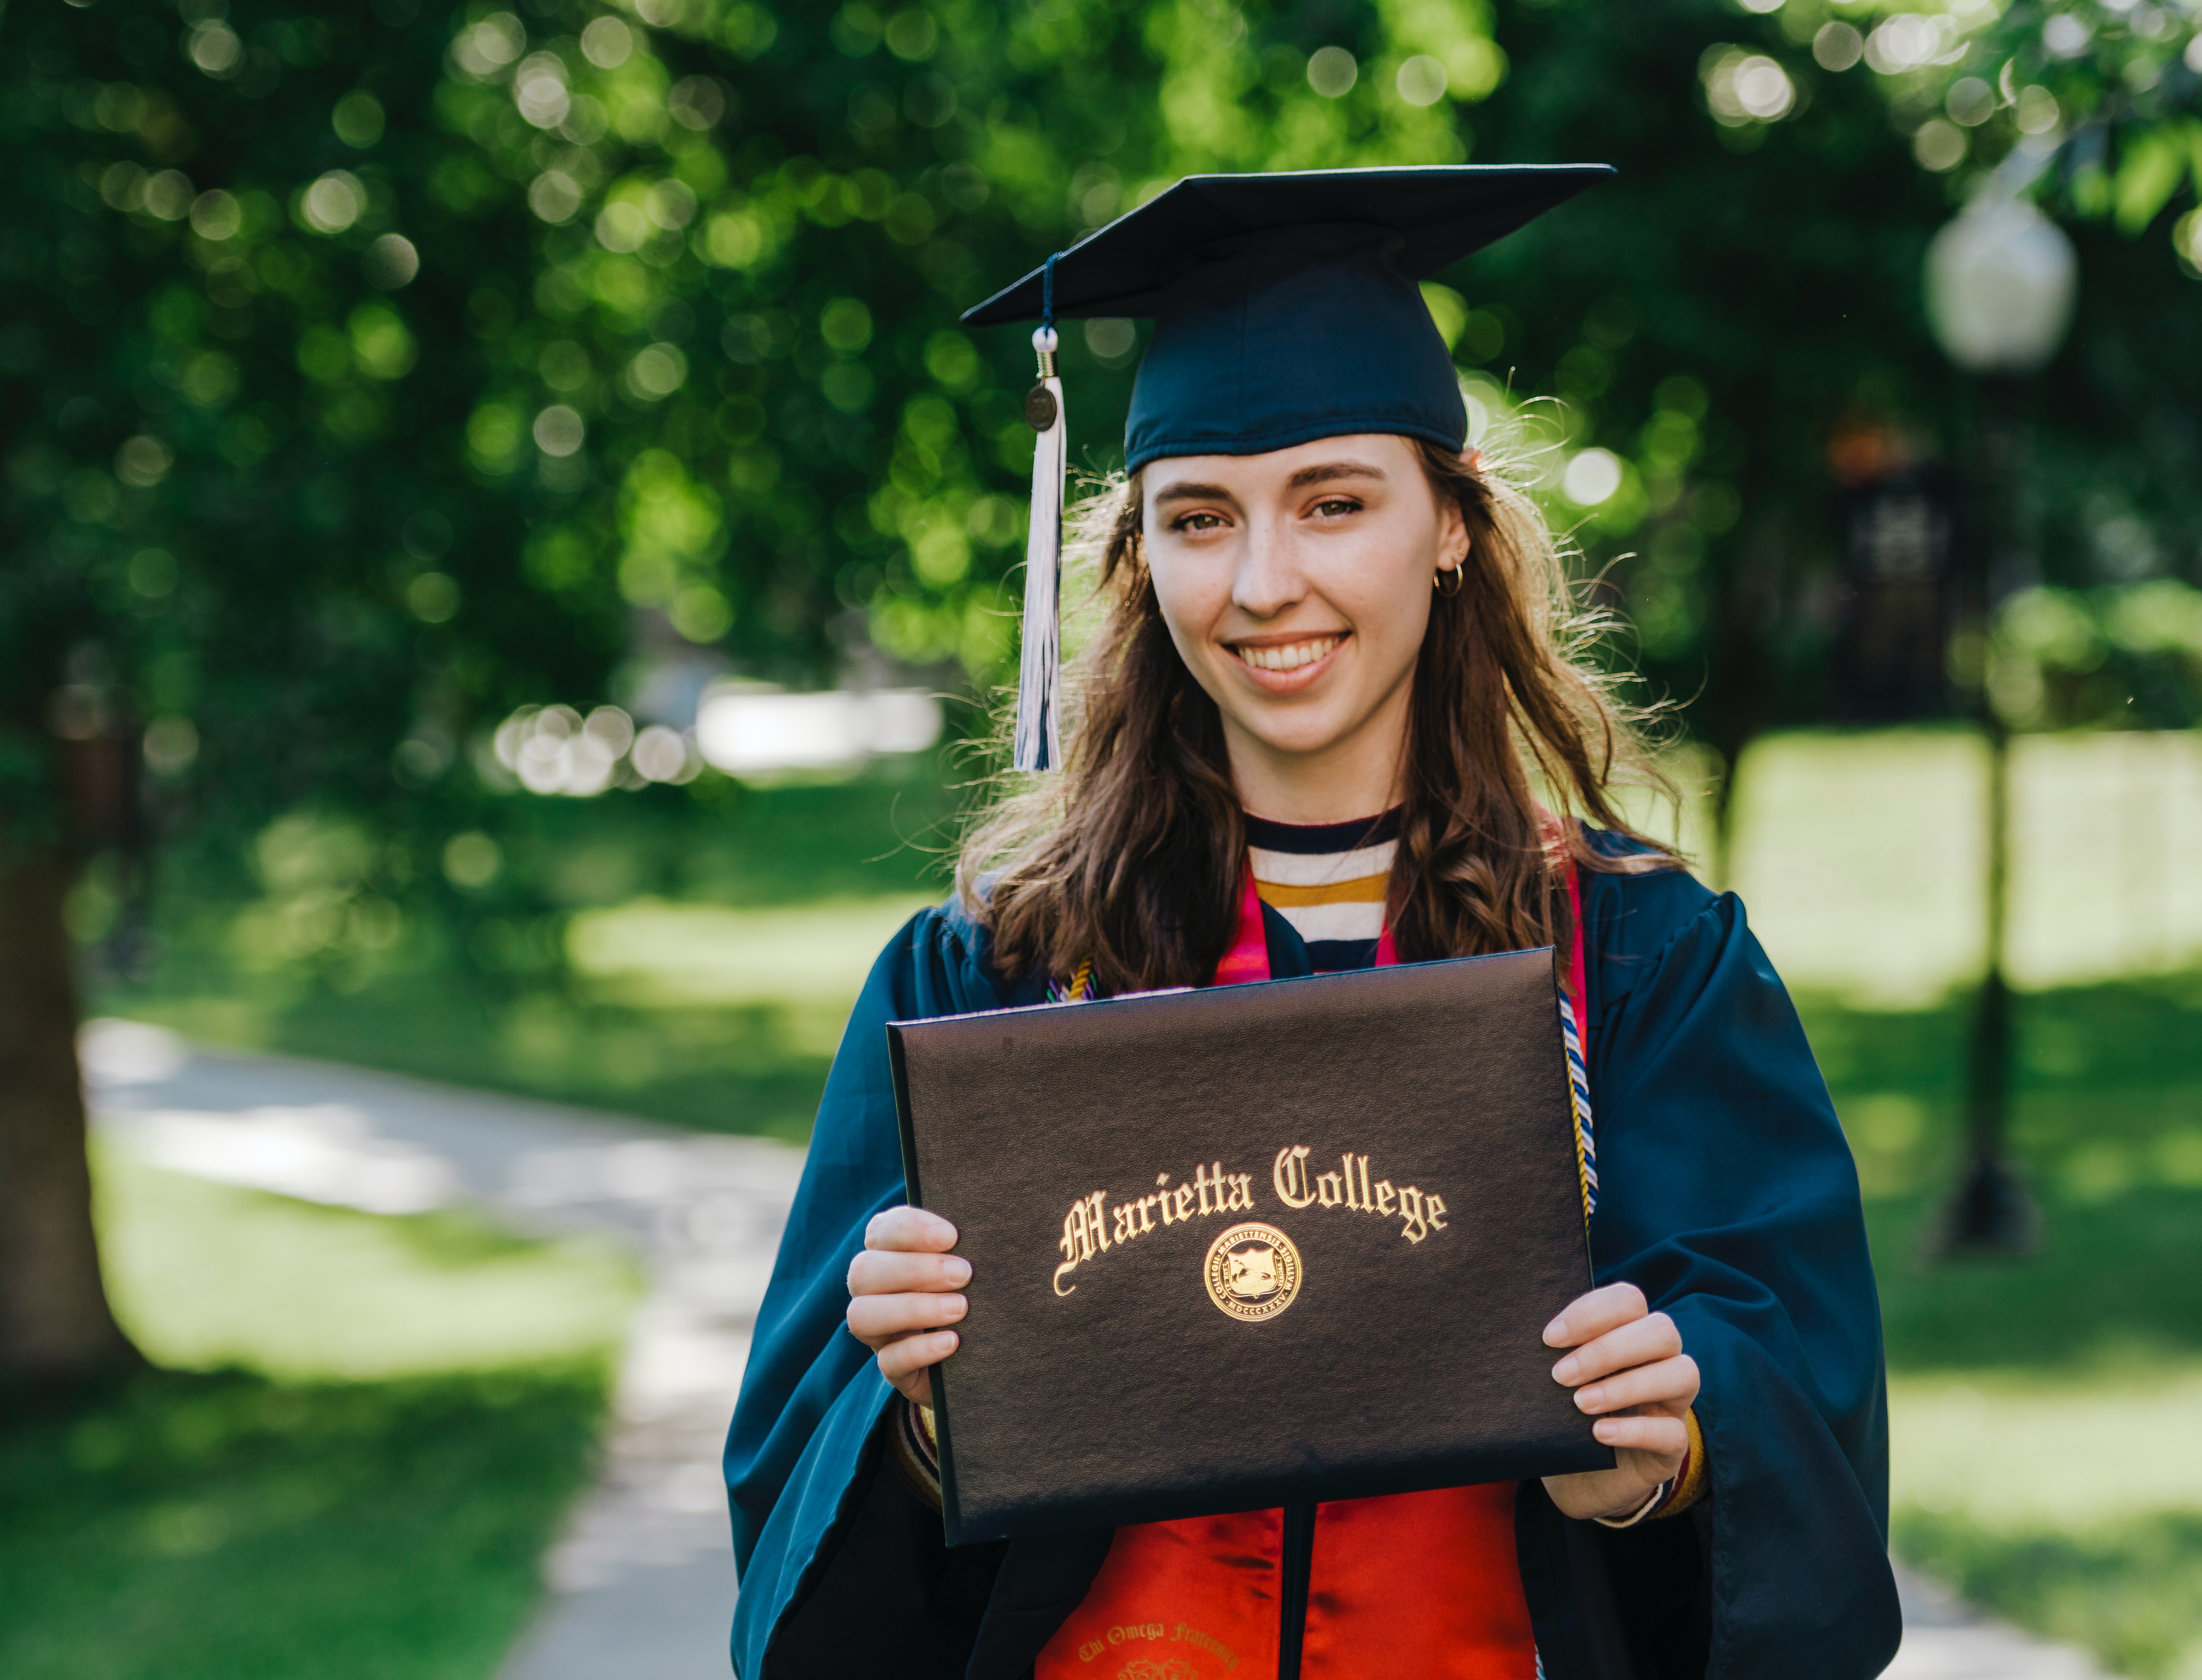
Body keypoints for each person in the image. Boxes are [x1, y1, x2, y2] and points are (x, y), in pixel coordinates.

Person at [725, 166, 1897, 1680]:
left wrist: (1672, 1450)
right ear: (1139, 561)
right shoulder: (990, 977)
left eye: (1335, 503)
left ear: (1454, 526)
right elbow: (799, 1546)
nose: (1267, 585)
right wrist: (912, 1427)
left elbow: (1801, 1408)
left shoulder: (1642, 964)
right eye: (1199, 519)